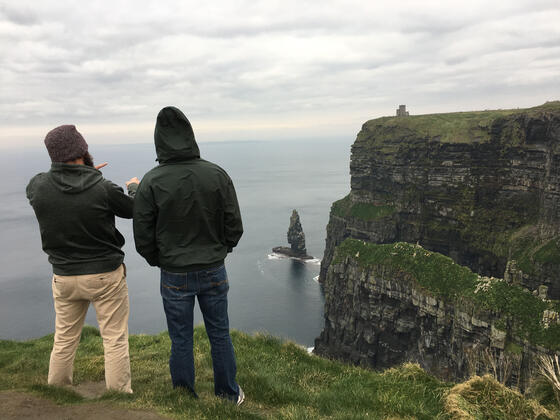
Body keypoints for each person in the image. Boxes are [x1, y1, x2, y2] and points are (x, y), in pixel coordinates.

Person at [133, 106, 244, 404]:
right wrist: (220, 251)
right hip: (213, 268)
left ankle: (184, 398)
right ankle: (227, 395)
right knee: (219, 334)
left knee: (181, 337)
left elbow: (143, 236)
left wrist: (161, 259)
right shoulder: (217, 174)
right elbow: (234, 226)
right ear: (191, 137)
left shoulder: (151, 182)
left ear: (159, 141)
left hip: (173, 273)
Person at [26, 125, 139, 393]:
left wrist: (82, 180)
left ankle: (57, 392)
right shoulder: (102, 187)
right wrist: (134, 188)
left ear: (53, 154)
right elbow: (134, 210)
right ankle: (118, 397)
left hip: (63, 276)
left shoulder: (37, 186)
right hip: (104, 275)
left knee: (64, 338)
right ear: (82, 150)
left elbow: (57, 194)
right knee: (113, 338)